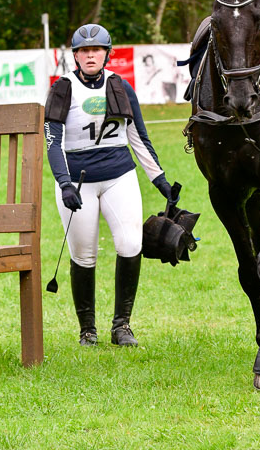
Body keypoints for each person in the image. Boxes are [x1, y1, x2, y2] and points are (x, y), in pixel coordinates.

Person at [44, 24, 178, 347]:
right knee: (84, 254)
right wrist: (65, 184)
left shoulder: (122, 87)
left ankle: (122, 326)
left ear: (107, 53)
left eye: (96, 49)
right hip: (77, 182)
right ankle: (87, 329)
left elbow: (139, 139)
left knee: (131, 243)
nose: (90, 55)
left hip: (119, 174)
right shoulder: (63, 89)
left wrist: (160, 181)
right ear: (75, 55)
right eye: (84, 50)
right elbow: (53, 143)